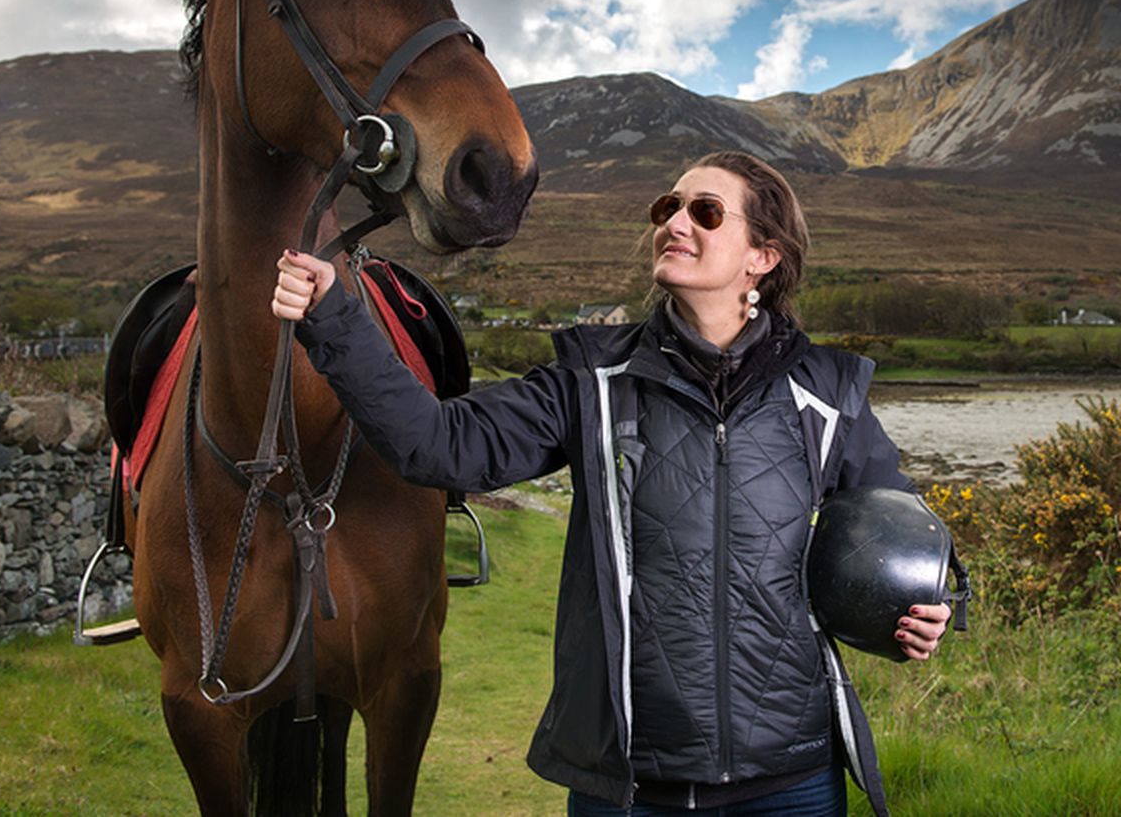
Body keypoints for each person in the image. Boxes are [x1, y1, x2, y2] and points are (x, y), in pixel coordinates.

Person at [273, 149, 952, 816]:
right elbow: (437, 444)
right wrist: (335, 316)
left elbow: (906, 533)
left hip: (793, 778)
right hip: (631, 786)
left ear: (763, 256)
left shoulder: (827, 391)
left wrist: (932, 611)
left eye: (705, 211)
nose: (675, 221)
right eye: (669, 206)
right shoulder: (591, 381)